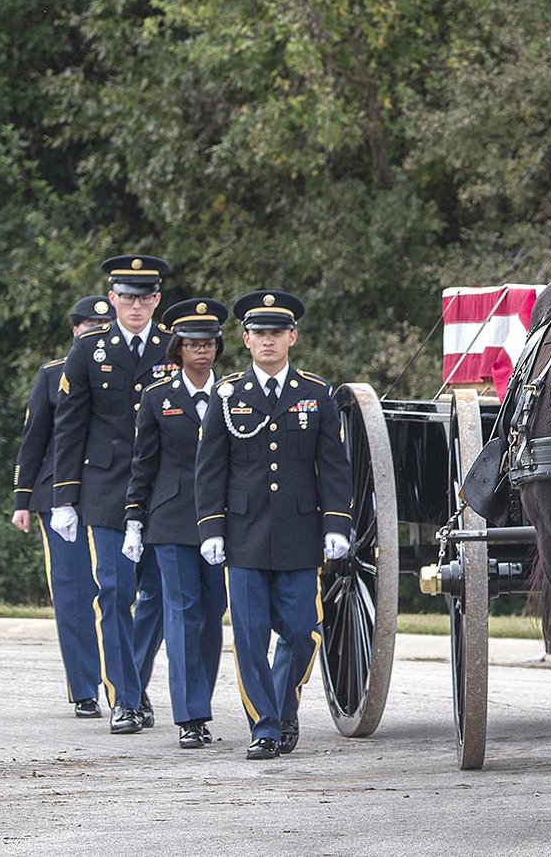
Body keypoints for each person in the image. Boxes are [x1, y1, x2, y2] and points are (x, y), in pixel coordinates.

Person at [195, 290, 352, 759]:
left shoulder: (315, 393)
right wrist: (210, 530)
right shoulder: (227, 395)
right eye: (259, 333)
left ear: (292, 337)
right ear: (245, 340)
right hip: (243, 535)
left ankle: (284, 708)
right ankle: (263, 725)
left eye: (276, 333)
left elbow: (335, 466)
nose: (268, 341)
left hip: (300, 534)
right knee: (249, 636)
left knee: (303, 631)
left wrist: (336, 524)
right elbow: (210, 470)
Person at [50, 255, 173, 734]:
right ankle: (124, 697)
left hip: (163, 490)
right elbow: (70, 425)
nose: (136, 305)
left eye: (145, 297)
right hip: (105, 489)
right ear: (112, 299)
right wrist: (64, 496)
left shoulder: (174, 346)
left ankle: (133, 681)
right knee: (116, 591)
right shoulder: (89, 349)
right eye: (126, 296)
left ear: (157, 299)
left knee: (160, 594)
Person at [125, 299, 230, 749]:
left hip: (221, 521)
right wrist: (134, 518)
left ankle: (200, 701)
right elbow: (143, 463)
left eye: (207, 344)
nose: (201, 352)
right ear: (178, 350)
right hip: (170, 519)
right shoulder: (157, 398)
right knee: (182, 613)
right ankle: (190, 716)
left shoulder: (232, 395)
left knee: (211, 614)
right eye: (192, 345)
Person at [11, 296, 116, 718]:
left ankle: (124, 686)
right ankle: (85, 687)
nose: (95, 333)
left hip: (109, 493)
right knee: (73, 592)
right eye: (89, 326)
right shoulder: (53, 374)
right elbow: (34, 438)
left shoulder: (124, 374)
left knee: (117, 593)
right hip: (58, 496)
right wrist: (22, 499)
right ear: (75, 330)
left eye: (101, 328)